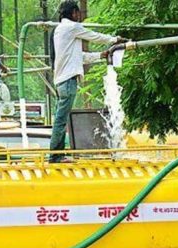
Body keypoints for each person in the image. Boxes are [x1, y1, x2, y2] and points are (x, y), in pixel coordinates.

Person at [49, 0, 127, 161]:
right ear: (72, 13)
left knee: (60, 118)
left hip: (62, 81)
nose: (79, 16)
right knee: (61, 120)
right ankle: (55, 156)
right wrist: (115, 39)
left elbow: (80, 57)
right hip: (68, 81)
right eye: (78, 13)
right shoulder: (72, 27)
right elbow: (95, 36)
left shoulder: (61, 31)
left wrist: (100, 55)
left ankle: (57, 155)